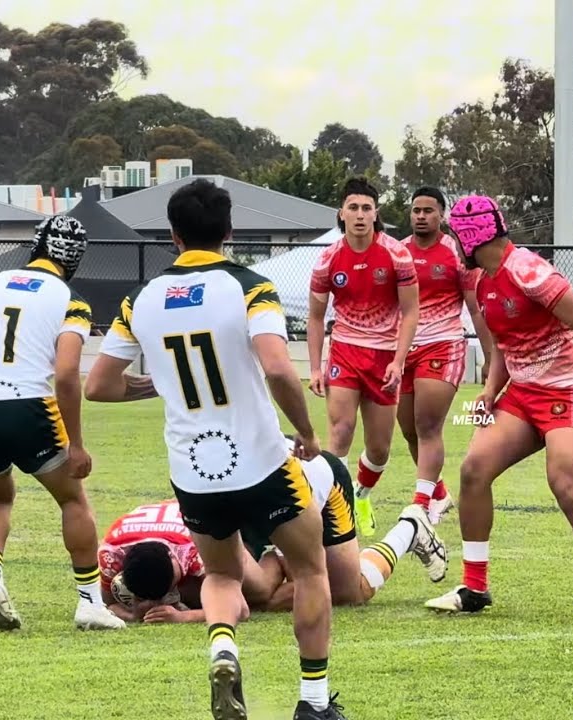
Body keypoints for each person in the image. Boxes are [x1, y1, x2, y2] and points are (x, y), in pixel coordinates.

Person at [85, 179, 346, 720]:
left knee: (223, 576)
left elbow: (100, 386)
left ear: (173, 234)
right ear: (229, 231)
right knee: (311, 569)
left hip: (195, 473)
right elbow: (277, 366)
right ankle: (314, 704)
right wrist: (308, 432)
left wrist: (156, 384)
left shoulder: (144, 298)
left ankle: (222, 646)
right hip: (262, 462)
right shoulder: (251, 285)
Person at [423, 195, 573, 621]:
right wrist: (490, 390)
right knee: (473, 470)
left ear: (472, 236)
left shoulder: (530, 271)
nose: (453, 245)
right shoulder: (484, 280)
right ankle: (475, 588)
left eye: (455, 235)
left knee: (566, 484)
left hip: (569, 390)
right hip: (522, 393)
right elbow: (503, 345)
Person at [0, 215, 125, 633]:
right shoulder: (70, 299)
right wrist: (76, 444)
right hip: (30, 408)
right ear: (75, 258)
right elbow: (65, 376)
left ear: (36, 245)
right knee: (73, 500)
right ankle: (89, 602)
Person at [103, 451, 447, 622]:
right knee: (234, 589)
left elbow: (257, 595)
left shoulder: (193, 546)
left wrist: (183, 615)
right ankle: (275, 554)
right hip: (248, 497)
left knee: (344, 591)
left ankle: (409, 529)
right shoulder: (112, 549)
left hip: (309, 489)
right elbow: (103, 601)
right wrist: (127, 607)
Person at [308, 178, 420, 538]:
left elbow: (411, 311)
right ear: (341, 213)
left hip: (385, 357)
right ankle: (334, 516)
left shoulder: (396, 254)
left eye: (366, 208)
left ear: (376, 214)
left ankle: (362, 495)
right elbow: (315, 316)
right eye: (352, 207)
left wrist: (398, 361)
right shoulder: (327, 259)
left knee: (379, 449)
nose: (359, 215)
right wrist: (315, 366)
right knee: (339, 432)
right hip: (345, 351)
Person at [398, 186, 493, 525]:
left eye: (428, 211)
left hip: (443, 344)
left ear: (442, 215)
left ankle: (420, 505)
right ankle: (438, 494)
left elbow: (476, 308)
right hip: (402, 350)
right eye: (416, 210)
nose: (421, 216)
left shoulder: (456, 253)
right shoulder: (397, 252)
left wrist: (488, 356)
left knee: (427, 424)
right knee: (408, 429)